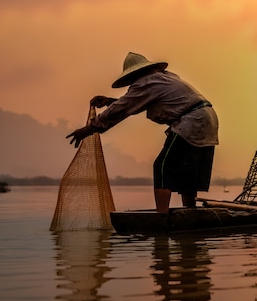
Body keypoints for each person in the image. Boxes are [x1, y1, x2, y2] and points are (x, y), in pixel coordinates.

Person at [66, 52, 219, 215]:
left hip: (191, 122)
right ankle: (190, 212)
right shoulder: (164, 77)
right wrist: (112, 101)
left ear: (134, 74)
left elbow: (122, 108)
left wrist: (88, 129)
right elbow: (137, 101)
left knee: (162, 166)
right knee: (188, 168)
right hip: (207, 118)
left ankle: (162, 216)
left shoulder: (147, 82)